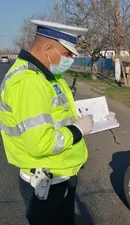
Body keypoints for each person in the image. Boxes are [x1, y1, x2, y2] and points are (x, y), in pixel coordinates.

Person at [0, 20, 94, 225]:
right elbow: (41, 143)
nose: (71, 59)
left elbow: (59, 114)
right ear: (49, 49)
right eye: (68, 54)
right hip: (47, 186)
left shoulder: (49, 75)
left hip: (60, 177)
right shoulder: (28, 82)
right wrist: (78, 129)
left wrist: (97, 119)